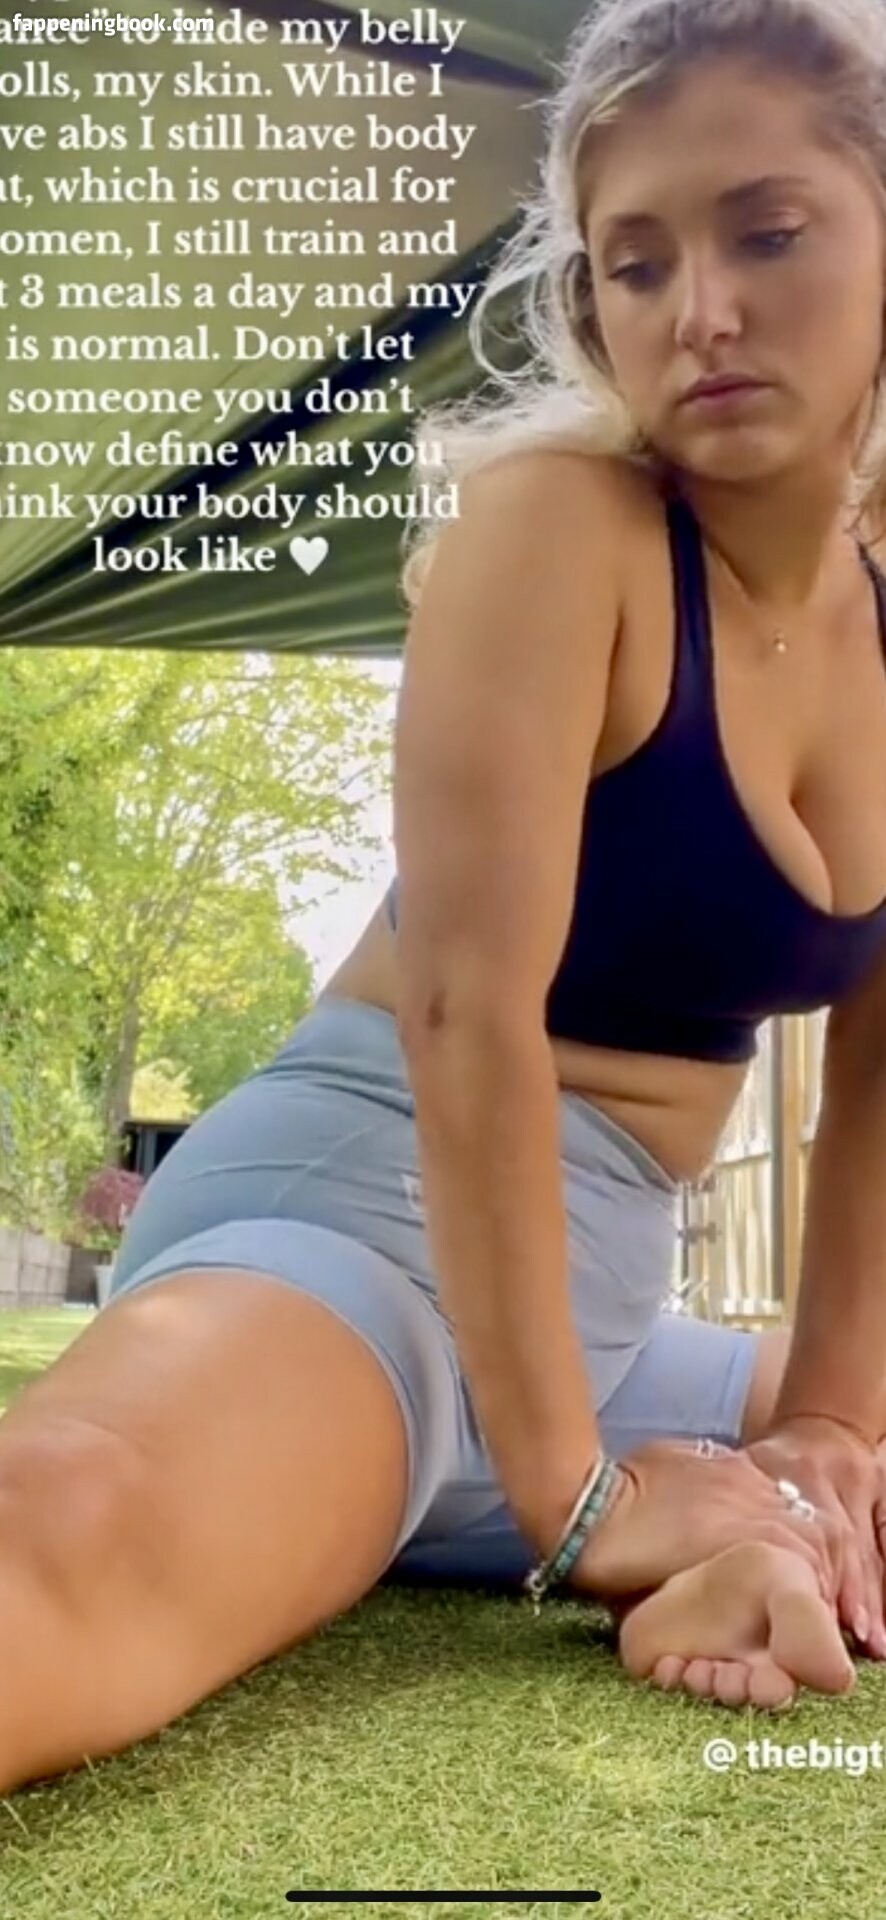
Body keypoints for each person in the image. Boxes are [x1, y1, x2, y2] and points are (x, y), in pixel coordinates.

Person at [2, 0, 886, 1794]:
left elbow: (873, 1085)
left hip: (610, 1318)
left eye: (766, 233)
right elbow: (467, 1012)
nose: (698, 311)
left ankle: (693, 1544)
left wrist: (824, 1431)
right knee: (67, 1543)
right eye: (634, 264)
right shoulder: (555, 526)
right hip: (364, 1232)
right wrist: (577, 1507)